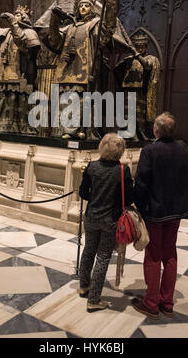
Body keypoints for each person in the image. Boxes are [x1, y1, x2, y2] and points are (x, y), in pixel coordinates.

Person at [132, 112, 188, 319]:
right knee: (170, 254)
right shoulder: (183, 148)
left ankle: (151, 302)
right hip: (175, 210)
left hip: (155, 211)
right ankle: (167, 302)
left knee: (153, 255)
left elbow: (141, 183)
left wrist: (139, 207)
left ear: (156, 129)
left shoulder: (150, 150)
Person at [47, 0, 117, 140]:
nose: (83, 8)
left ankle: (75, 130)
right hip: (67, 68)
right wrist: (54, 20)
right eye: (81, 6)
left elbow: (109, 30)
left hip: (84, 69)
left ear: (91, 8)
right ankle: (66, 129)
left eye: (86, 5)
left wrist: (110, 3)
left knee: (80, 101)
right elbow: (55, 41)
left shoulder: (94, 25)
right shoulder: (70, 27)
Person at [78, 133, 133, 312]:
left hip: (91, 217)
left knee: (88, 251)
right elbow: (129, 198)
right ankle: (94, 300)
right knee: (102, 257)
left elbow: (83, 193)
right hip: (111, 220)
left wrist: (96, 196)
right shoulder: (123, 171)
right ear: (121, 151)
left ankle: (84, 286)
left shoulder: (92, 166)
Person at [0, 5, 40, 133]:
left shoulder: (29, 33)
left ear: (25, 18)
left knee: (17, 101)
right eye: (16, 14)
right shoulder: (8, 31)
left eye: (18, 15)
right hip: (4, 71)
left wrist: (13, 22)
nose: (15, 16)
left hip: (19, 72)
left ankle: (17, 126)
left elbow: (21, 42)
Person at [121, 32, 160, 141]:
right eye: (137, 47)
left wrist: (137, 56)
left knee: (139, 114)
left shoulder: (150, 59)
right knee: (127, 112)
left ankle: (139, 132)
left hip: (141, 91)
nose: (140, 49)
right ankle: (128, 132)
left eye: (142, 47)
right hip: (128, 90)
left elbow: (147, 67)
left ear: (146, 47)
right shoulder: (130, 59)